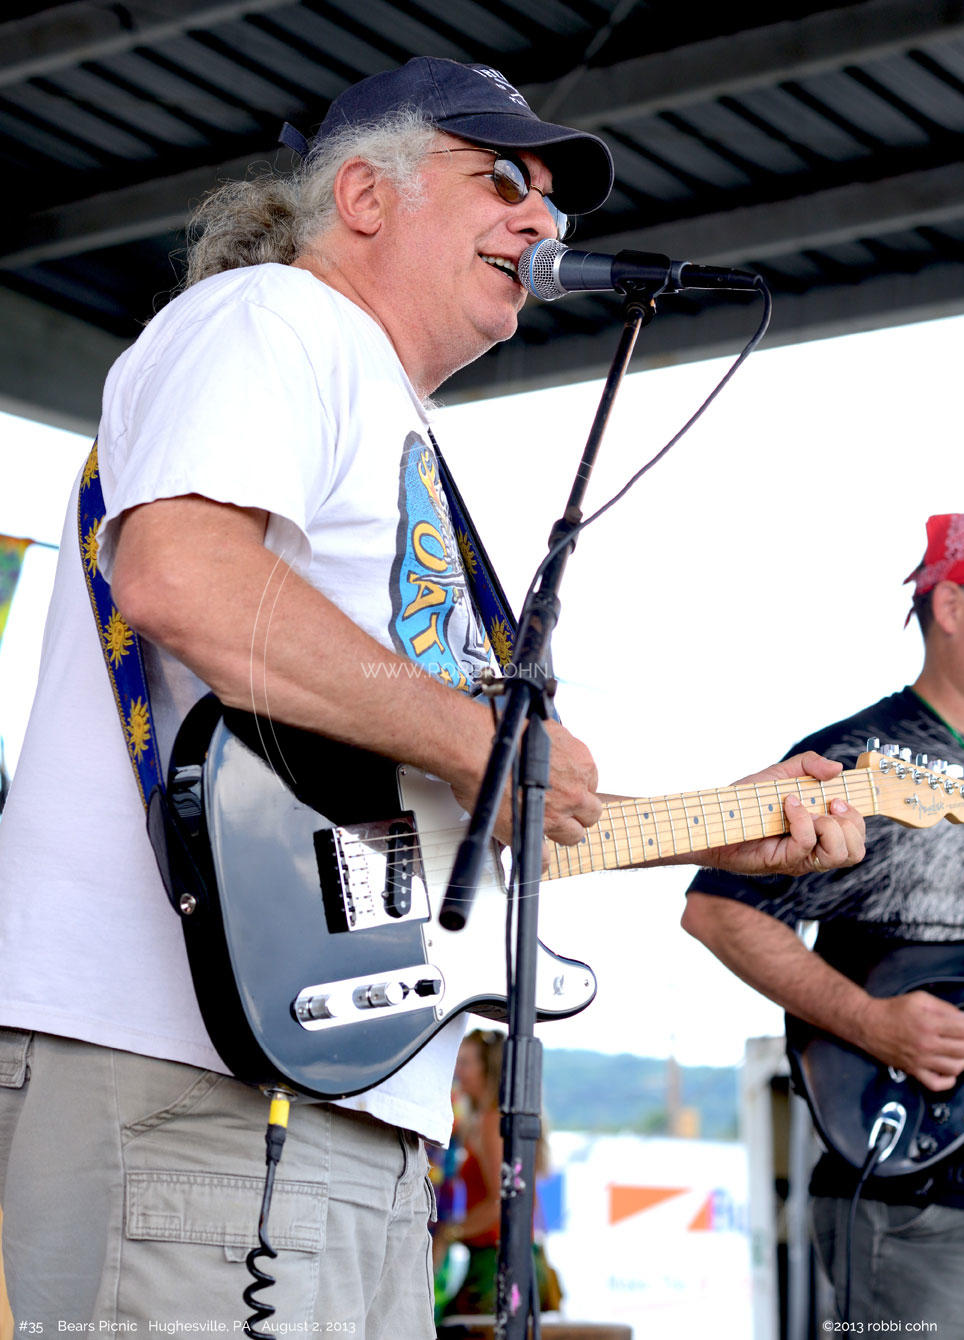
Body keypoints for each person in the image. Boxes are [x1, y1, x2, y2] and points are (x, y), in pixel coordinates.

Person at [0, 56, 865, 1337]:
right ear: (363, 194)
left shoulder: (380, 410)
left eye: (555, 202)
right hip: (186, 1077)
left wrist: (713, 824)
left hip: (333, 1095)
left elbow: (448, 810)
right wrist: (475, 732)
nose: (543, 218)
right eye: (505, 178)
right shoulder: (272, 320)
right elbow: (180, 572)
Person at [682, 512, 964, 1335]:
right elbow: (717, 910)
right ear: (951, 606)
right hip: (916, 1205)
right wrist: (875, 1024)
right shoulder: (863, 757)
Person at [434, 1029, 561, 1318]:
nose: (456, 1071)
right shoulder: (487, 1119)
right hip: (500, 1258)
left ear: (487, 1069)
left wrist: (449, 1234)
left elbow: (502, 1202)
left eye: (465, 1063)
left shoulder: (494, 1122)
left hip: (497, 1263)